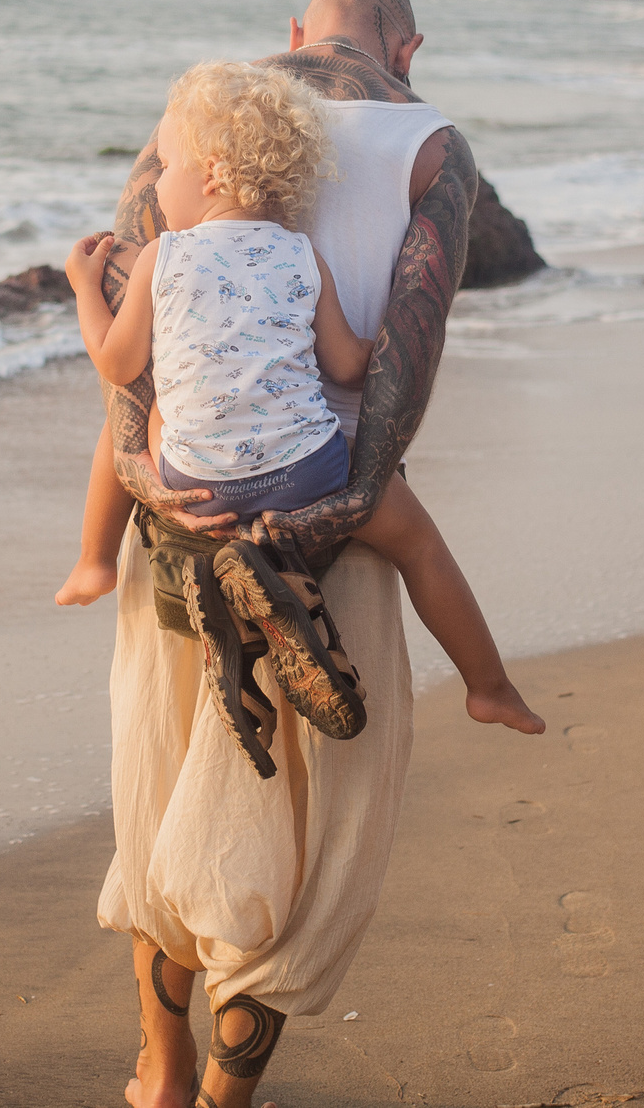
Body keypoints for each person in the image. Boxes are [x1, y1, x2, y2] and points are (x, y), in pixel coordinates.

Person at [76, 0, 521, 1108]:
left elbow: (130, 363)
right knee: (298, 838)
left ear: (292, 35)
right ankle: (232, 1086)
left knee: (164, 797)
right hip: (331, 537)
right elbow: (398, 356)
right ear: (406, 49)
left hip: (182, 522)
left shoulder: (194, 117)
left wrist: (143, 485)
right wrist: (342, 502)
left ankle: (161, 1067)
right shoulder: (433, 150)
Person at [58, 59, 536, 748]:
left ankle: (96, 561)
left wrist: (82, 285)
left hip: (200, 483)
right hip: (309, 471)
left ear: (214, 174)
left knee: (138, 411)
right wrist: (398, 328)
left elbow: (116, 362)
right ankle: (489, 686)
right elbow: (346, 364)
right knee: (420, 544)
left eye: (165, 165)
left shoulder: (163, 257)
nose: (156, 182)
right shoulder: (303, 255)